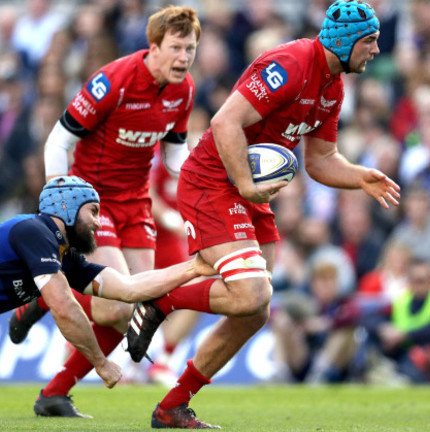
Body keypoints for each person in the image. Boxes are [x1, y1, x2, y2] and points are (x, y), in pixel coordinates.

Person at [126, 1, 399, 428]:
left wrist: (359, 176)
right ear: (345, 42)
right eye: (370, 41)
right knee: (252, 294)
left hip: (245, 190)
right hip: (213, 180)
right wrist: (247, 185)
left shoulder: (333, 86)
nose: (377, 51)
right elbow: (225, 123)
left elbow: (322, 160)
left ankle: (171, 406)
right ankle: (162, 299)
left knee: (254, 309)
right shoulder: (290, 63)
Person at [0, 176, 214, 425]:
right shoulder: (33, 231)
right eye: (93, 212)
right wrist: (100, 362)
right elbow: (65, 307)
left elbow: (127, 288)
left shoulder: (64, 257)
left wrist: (194, 266)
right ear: (65, 208)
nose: (98, 222)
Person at [6, 5, 202, 418]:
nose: (185, 57)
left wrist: (206, 179)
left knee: (135, 307)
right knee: (117, 307)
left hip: (137, 204)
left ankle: (53, 393)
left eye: (191, 48)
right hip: (91, 204)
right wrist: (57, 208)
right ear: (153, 47)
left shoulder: (184, 91)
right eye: (176, 48)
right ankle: (45, 298)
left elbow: (174, 156)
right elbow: (58, 141)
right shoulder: (113, 81)